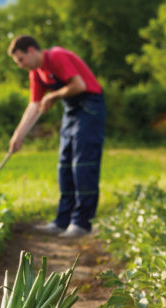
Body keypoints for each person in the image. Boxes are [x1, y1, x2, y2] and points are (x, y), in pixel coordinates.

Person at [7, 35, 106, 238]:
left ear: (31, 51)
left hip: (90, 107)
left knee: (82, 165)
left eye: (20, 59)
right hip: (72, 111)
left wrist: (52, 95)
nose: (20, 65)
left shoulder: (57, 57)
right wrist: (18, 136)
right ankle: (63, 221)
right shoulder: (37, 73)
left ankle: (81, 223)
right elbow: (34, 105)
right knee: (64, 165)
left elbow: (79, 86)